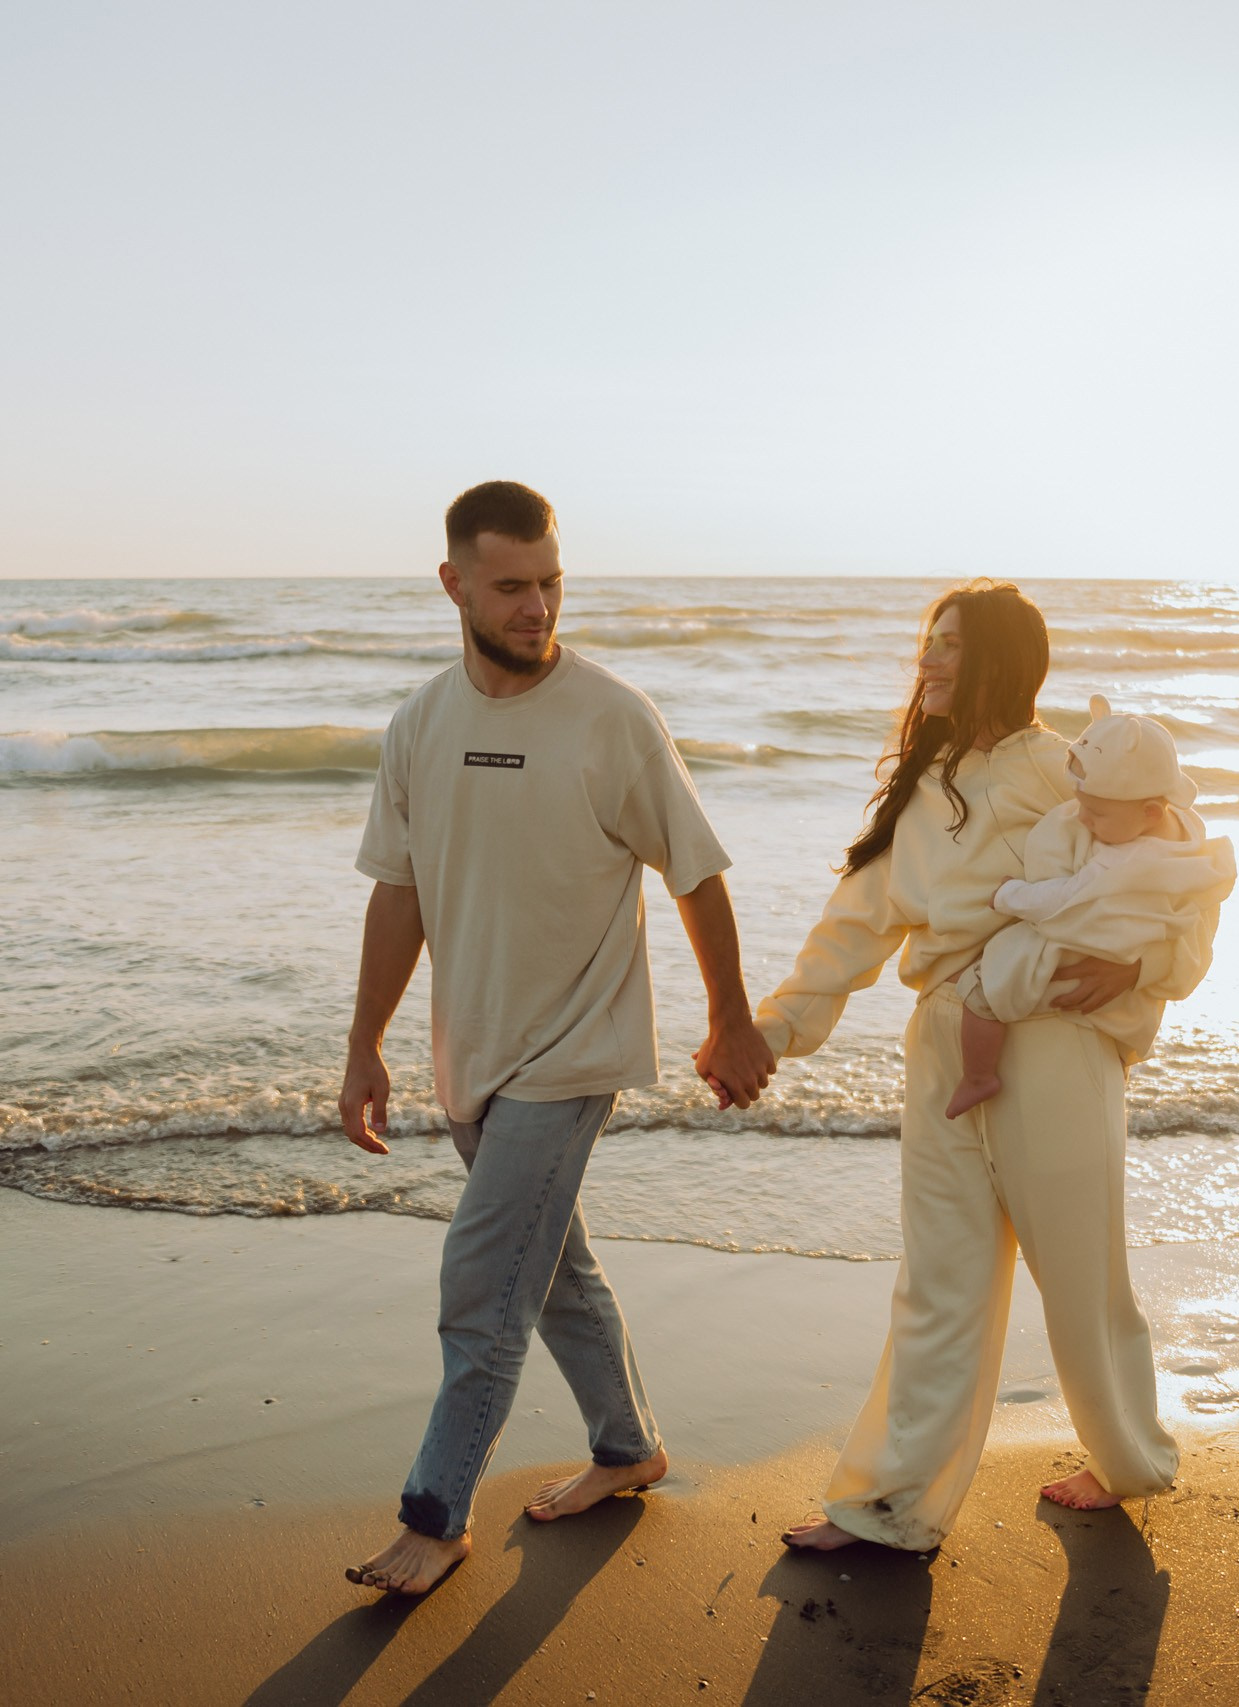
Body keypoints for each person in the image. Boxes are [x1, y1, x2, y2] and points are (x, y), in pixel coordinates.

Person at [337, 480, 777, 1597]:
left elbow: (698, 870)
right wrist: (363, 1046)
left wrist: (729, 1019)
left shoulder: (610, 716)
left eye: (551, 584)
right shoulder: (422, 724)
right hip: (470, 1057)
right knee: (556, 1270)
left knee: (483, 1284)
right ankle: (627, 1448)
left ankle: (435, 1516)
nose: (537, 609)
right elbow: (398, 895)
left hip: (573, 1054)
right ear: (454, 585)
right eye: (512, 588)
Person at [762, 582, 1217, 1554]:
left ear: (1001, 662)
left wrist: (1144, 967)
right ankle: (889, 1506)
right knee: (939, 1280)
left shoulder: (1063, 768)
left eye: (952, 647)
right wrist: (772, 1031)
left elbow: (1181, 869)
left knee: (1080, 1273)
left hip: (1051, 1036)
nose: (927, 661)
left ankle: (1127, 1461)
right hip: (942, 1040)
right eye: (929, 642)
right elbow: (859, 919)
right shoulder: (925, 781)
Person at [944, 695, 1236, 1119]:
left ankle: (978, 1077)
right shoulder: (1189, 828)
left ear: (1151, 812)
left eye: (1095, 812)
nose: (1081, 818)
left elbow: (1067, 898)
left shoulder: (1122, 861)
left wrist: (1009, 895)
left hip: (1092, 951)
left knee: (981, 988)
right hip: (1132, 952)